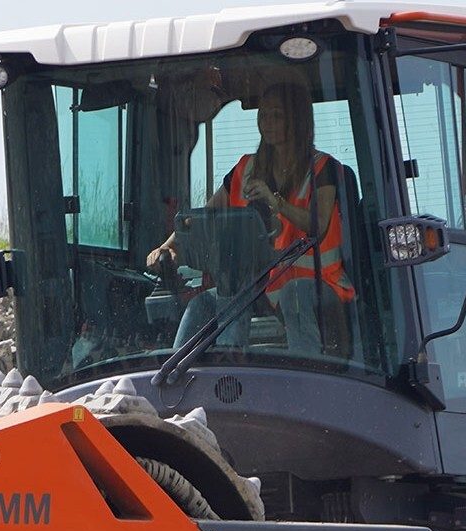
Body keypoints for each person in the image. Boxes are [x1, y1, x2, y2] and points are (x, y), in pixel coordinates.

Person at [148, 82, 354, 355]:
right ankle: (174, 376)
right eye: (263, 115)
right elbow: (204, 216)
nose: (267, 123)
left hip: (319, 286)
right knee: (204, 304)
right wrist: (168, 246)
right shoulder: (246, 168)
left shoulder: (323, 168)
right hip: (262, 288)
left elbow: (318, 225)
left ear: (298, 120)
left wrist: (274, 201)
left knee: (294, 296)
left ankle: (306, 374)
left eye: (277, 115)